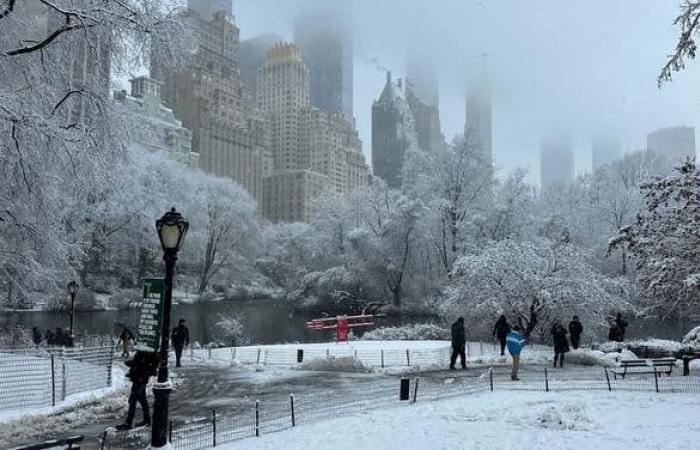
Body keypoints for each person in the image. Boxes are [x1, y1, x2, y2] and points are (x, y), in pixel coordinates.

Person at [115, 350, 159, 431]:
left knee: (133, 400)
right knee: (142, 400)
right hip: (140, 377)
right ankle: (147, 420)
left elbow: (141, 364)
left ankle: (129, 422)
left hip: (140, 378)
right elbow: (140, 363)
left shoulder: (146, 351)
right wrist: (129, 363)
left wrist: (130, 363)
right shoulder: (146, 351)